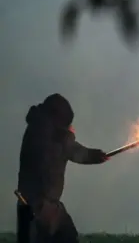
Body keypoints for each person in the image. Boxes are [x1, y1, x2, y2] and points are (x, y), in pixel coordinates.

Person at [16, 93, 109, 243]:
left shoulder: (34, 128)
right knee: (66, 236)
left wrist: (66, 135)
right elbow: (76, 152)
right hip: (43, 208)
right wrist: (96, 156)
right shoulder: (54, 137)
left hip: (27, 203)